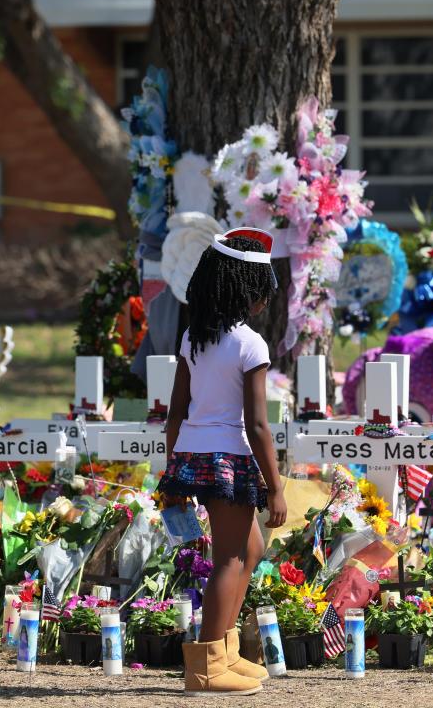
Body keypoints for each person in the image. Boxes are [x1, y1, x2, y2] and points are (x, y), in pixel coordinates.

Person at [159, 228, 288, 697]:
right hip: (228, 458)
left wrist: (172, 473)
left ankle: (227, 652)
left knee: (249, 551)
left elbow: (176, 412)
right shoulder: (249, 344)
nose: (263, 302)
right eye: (261, 293)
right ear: (245, 293)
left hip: (193, 453)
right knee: (229, 558)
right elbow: (257, 425)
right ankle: (208, 665)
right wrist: (275, 487)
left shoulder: (194, 337)